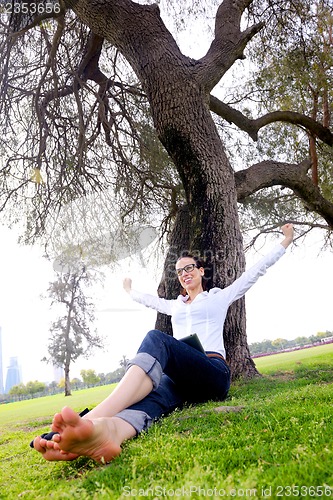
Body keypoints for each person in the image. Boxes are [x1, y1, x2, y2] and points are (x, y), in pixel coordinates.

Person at [31, 223, 294, 464]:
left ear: (201, 271)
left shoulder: (219, 298)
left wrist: (285, 241)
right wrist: (129, 291)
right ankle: (108, 433)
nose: (184, 274)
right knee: (153, 397)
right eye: (180, 271)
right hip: (181, 381)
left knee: (157, 338)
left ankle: (91, 418)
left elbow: (254, 273)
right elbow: (148, 301)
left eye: (189, 268)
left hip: (213, 372)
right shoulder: (173, 306)